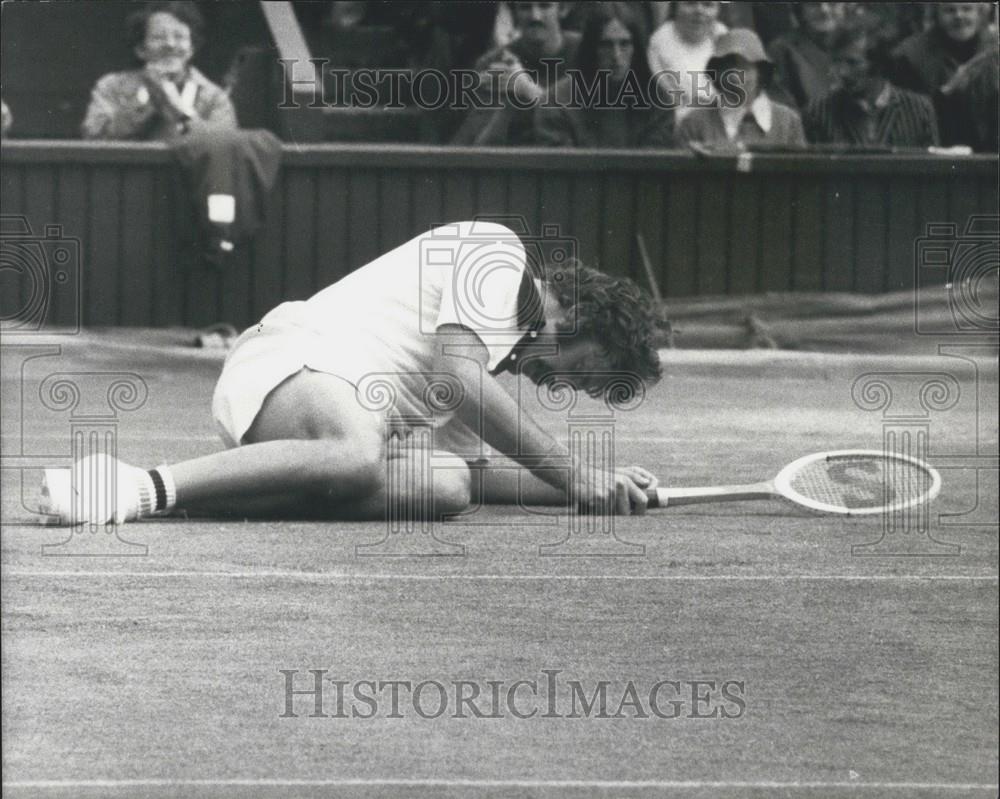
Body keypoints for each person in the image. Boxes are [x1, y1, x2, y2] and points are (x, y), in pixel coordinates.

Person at [40, 220, 666, 525]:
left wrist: (595, 489)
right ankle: (135, 487)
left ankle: (213, 493)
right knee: (360, 455)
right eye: (580, 374)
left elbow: (483, 475)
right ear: (580, 314)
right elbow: (465, 382)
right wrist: (574, 469)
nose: (558, 388)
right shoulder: (497, 255)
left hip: (314, 429)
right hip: (289, 363)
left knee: (446, 485)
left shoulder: (487, 354)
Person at [81, 1, 237, 141]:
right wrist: (145, 103)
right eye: (159, 37)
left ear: (191, 49)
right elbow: (93, 137)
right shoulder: (111, 87)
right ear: (141, 50)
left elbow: (223, 148)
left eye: (179, 37)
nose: (170, 44)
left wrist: (175, 106)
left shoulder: (215, 98)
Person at [535, 4, 674, 148]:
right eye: (606, 45)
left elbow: (653, 165)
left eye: (624, 44)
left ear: (636, 49)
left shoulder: (659, 102)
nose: (616, 56)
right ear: (592, 48)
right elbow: (562, 166)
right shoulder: (556, 102)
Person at [452, 1, 581, 145]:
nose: (535, 17)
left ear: (563, 9)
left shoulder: (586, 53)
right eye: (525, 7)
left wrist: (529, 91)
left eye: (544, 6)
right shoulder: (494, 63)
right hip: (513, 164)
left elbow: (589, 138)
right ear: (515, 14)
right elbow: (477, 148)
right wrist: (508, 105)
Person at [804, 20, 939, 149]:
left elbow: (932, 170)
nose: (842, 72)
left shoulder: (919, 110)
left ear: (879, 63)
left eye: (853, 63)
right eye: (837, 62)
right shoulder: (819, 113)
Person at [675, 29, 806, 149]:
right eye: (726, 66)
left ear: (761, 71)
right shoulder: (693, 123)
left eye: (744, 66)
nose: (735, 75)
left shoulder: (788, 121)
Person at [889, 3, 996, 147]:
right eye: (949, 10)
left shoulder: (994, 49)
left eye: (967, 9)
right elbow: (906, 119)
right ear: (936, 15)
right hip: (936, 155)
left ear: (980, 13)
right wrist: (947, 92)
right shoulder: (910, 56)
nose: (959, 16)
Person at [647, 1, 727, 122]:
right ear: (675, 8)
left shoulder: (723, 36)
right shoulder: (661, 43)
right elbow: (671, 102)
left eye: (708, 5)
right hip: (680, 124)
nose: (699, 11)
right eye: (690, 3)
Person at [767, 3, 846, 110]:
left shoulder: (865, 41)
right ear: (801, 9)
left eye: (832, 3)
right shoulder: (783, 50)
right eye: (814, 4)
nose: (824, 10)